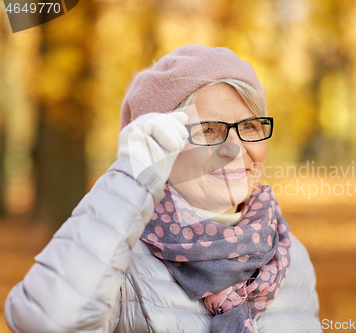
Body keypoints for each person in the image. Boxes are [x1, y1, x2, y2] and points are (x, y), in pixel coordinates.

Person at [4, 45, 321, 333]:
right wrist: (132, 175)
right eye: (209, 130)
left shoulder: (290, 254)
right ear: (159, 146)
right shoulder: (117, 258)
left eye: (249, 126)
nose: (235, 149)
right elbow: (44, 322)